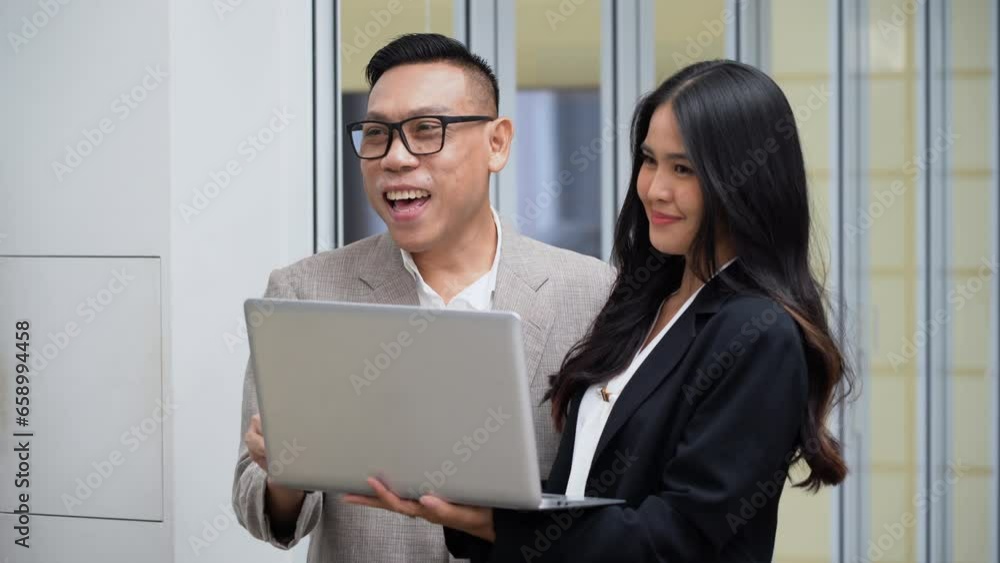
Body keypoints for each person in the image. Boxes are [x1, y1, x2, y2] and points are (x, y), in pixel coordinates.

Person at [344, 59, 853, 562]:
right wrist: (453, 491)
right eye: (650, 161)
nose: (655, 188)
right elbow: (591, 490)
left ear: (743, 181)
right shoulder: (643, 304)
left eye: (684, 169)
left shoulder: (757, 331)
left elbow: (677, 541)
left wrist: (489, 520)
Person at [231, 34, 615, 562]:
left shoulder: (593, 293)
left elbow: (614, 491)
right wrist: (287, 471)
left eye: (425, 131)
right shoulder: (306, 292)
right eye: (376, 134)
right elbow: (257, 508)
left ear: (497, 143)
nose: (395, 158)